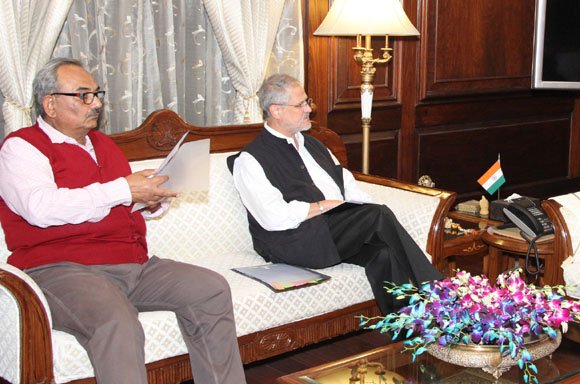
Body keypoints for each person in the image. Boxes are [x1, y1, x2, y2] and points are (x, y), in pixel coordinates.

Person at [0, 58, 246, 383]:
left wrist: (149, 201)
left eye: (97, 93)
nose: (97, 103)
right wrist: (123, 189)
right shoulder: (21, 147)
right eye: (84, 95)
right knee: (117, 320)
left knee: (209, 288)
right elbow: (40, 208)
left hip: (133, 265)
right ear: (51, 104)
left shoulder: (105, 145)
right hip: (60, 269)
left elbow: (116, 206)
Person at [230, 74, 443, 315]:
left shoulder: (315, 145)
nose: (308, 109)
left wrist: (358, 212)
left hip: (329, 233)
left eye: (307, 101)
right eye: (300, 104)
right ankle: (440, 294)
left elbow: (347, 185)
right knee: (377, 215)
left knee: (382, 253)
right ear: (276, 111)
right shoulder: (250, 159)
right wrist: (323, 206)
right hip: (293, 242)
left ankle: (409, 327)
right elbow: (273, 218)